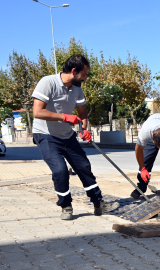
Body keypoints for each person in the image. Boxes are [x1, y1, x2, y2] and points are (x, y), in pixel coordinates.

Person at [32, 55, 118, 220]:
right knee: (60, 170)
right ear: (73, 71)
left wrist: (84, 128)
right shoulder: (47, 82)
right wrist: (65, 117)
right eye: (84, 74)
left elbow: (82, 114)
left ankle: (98, 203)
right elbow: (37, 112)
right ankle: (65, 205)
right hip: (46, 135)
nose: (85, 78)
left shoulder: (77, 88)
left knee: (83, 166)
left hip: (67, 135)